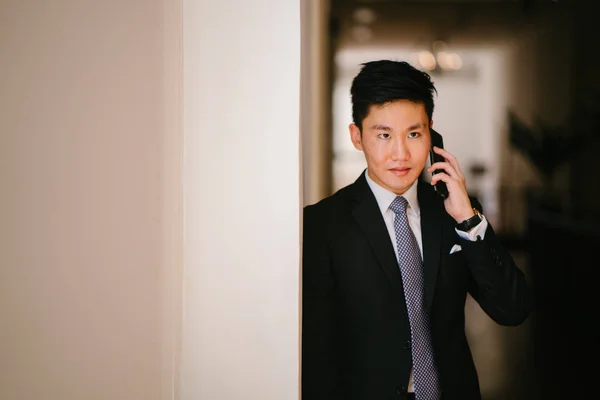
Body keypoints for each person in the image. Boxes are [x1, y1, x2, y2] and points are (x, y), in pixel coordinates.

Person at [301, 60, 531, 400]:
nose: (401, 154)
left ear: (431, 133)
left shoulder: (451, 213)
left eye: (414, 134)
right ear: (356, 136)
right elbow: (316, 351)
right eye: (383, 135)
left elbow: (512, 309)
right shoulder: (322, 225)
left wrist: (468, 219)